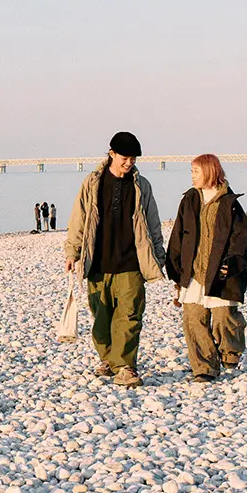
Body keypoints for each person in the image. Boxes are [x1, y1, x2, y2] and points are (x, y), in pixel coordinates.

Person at [63, 132, 167, 388]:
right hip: (97, 263)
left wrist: (158, 256)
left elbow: (152, 221)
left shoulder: (142, 185)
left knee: (130, 316)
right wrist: (71, 252)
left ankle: (125, 366)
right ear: (111, 154)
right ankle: (108, 358)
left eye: (133, 158)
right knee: (101, 318)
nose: (129, 162)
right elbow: (79, 218)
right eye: (124, 157)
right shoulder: (92, 183)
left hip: (132, 262)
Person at [166, 154, 247, 383]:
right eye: (191, 171)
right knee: (193, 320)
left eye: (196, 171)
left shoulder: (230, 203)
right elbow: (178, 233)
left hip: (221, 273)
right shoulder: (189, 200)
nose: (192, 176)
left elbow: (240, 240)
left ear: (210, 172)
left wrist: (231, 264)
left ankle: (230, 351)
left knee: (225, 318)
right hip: (193, 272)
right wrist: (174, 265)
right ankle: (204, 367)